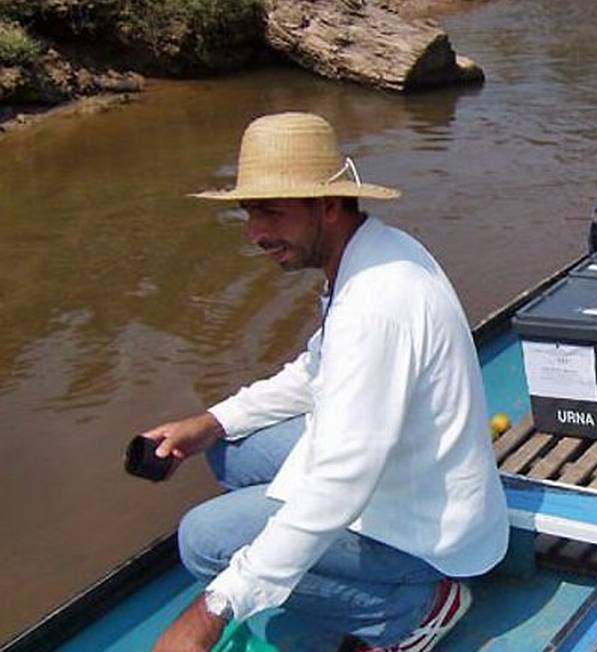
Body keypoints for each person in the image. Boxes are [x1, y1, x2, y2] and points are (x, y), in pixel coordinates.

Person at [144, 112, 509, 652]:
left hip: (427, 528)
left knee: (203, 542)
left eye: (272, 212)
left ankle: (413, 610)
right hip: (401, 469)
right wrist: (211, 423)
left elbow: (341, 480)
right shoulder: (372, 251)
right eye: (249, 212)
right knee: (229, 449)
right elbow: (316, 372)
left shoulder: (376, 305)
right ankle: (312, 563)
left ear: (330, 206)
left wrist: (214, 609)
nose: (255, 233)